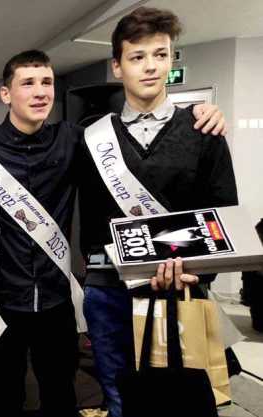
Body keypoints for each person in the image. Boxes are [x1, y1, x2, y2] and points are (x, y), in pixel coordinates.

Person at [0, 47, 226, 416]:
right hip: (2, 301)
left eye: (47, 82)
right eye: (28, 83)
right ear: (6, 94)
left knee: (61, 397)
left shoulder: (75, 140)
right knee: (5, 399)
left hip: (56, 301)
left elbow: (138, 156)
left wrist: (193, 114)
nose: (40, 92)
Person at [78, 7, 238, 416]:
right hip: (110, 290)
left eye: (160, 54)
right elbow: (89, 220)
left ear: (171, 59)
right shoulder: (92, 138)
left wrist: (197, 270)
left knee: (186, 401)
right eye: (137, 57)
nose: (150, 66)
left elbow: (222, 216)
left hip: (183, 286)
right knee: (120, 400)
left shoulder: (203, 132)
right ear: (118, 66)